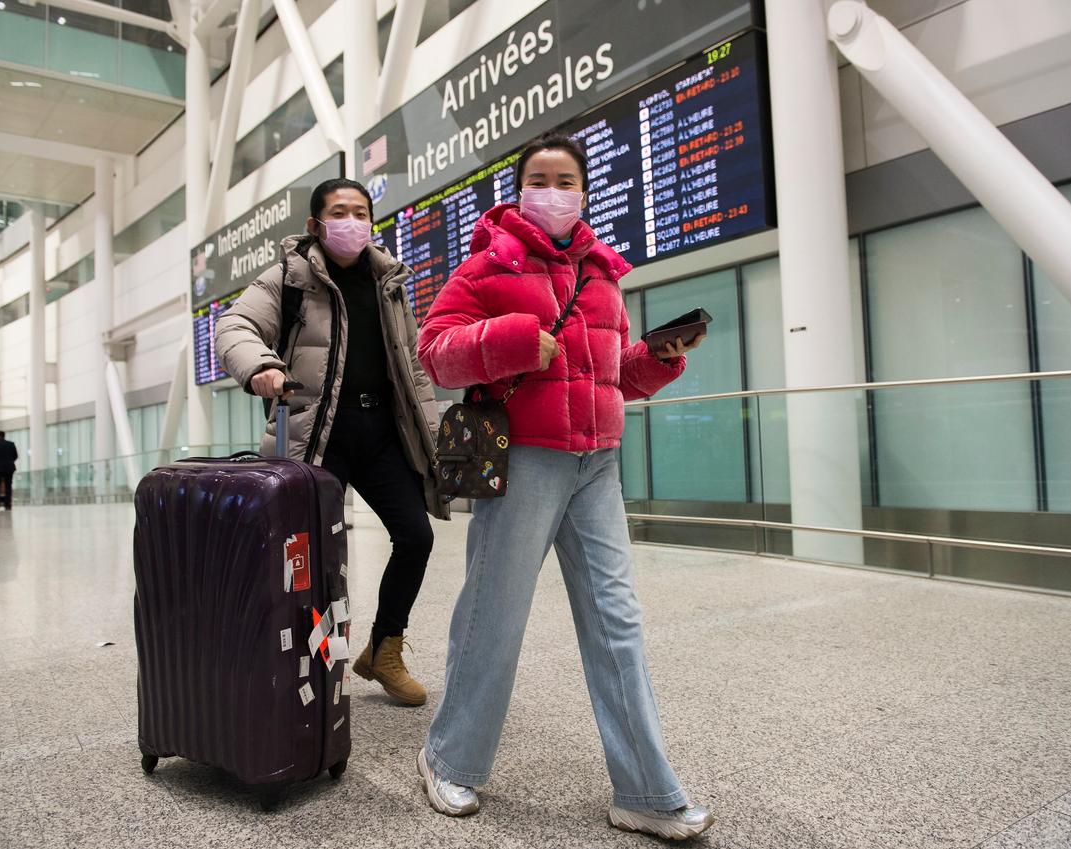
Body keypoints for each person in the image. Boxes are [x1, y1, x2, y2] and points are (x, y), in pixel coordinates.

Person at [413, 133, 712, 839]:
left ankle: (643, 789)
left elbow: (609, 375)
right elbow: (434, 353)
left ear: (584, 190)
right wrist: (512, 339)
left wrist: (656, 359)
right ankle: (447, 755)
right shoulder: (488, 265)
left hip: (597, 464)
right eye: (539, 179)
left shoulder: (603, 274)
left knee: (618, 623)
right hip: (526, 461)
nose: (553, 190)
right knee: (495, 618)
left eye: (566, 179)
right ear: (519, 190)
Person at [215, 177, 449, 707]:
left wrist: (432, 437)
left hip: (382, 434)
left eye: (361, 212)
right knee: (315, 558)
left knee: (416, 537)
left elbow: (409, 365)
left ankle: (384, 648)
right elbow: (233, 327)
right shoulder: (288, 278)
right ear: (316, 225)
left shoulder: (388, 281)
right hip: (316, 434)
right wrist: (260, 367)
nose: (352, 222)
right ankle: (317, 665)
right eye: (340, 212)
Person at [0, 430, 19, 510]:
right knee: (8, 486)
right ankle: (7, 504)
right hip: (9, 468)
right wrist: (9, 461)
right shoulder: (11, 444)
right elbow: (15, 456)